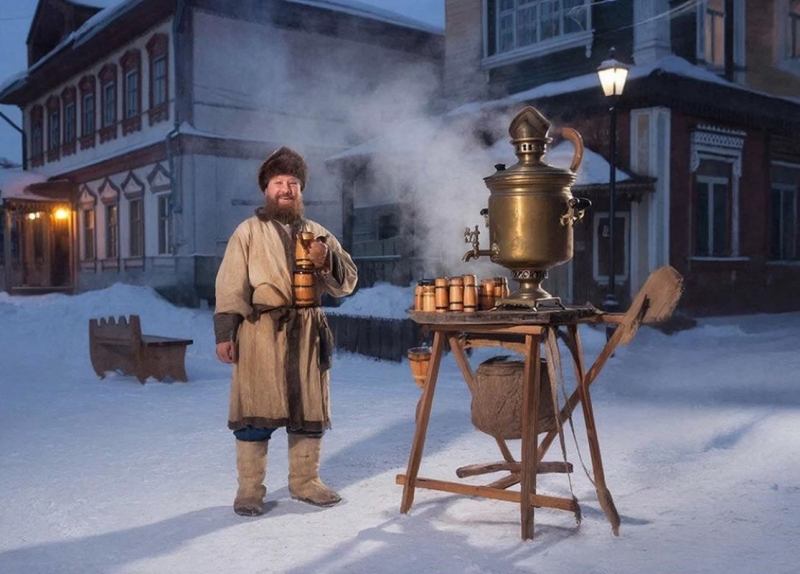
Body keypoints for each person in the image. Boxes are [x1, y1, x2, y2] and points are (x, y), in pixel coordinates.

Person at [213, 146, 358, 516]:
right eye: (279, 182)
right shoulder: (247, 231)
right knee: (253, 414)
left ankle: (305, 482)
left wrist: (329, 261)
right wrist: (225, 333)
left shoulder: (318, 233)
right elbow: (231, 285)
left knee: (307, 410)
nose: (286, 190)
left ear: (301, 190)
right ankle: (249, 490)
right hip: (260, 332)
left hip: (307, 332)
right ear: (266, 188)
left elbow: (348, 283)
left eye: (293, 183)